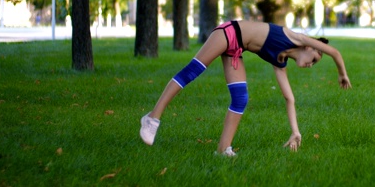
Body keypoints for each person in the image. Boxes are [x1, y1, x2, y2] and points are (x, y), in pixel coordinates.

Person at [140, 20, 351, 156]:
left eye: (314, 64)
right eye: (313, 58)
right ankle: (153, 118)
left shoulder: (280, 62)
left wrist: (295, 132)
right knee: (193, 70)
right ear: (310, 46)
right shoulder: (295, 37)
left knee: (241, 99)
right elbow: (335, 52)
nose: (310, 65)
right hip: (229, 32)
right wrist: (342, 73)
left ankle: (223, 149)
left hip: (236, 49)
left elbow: (290, 99)